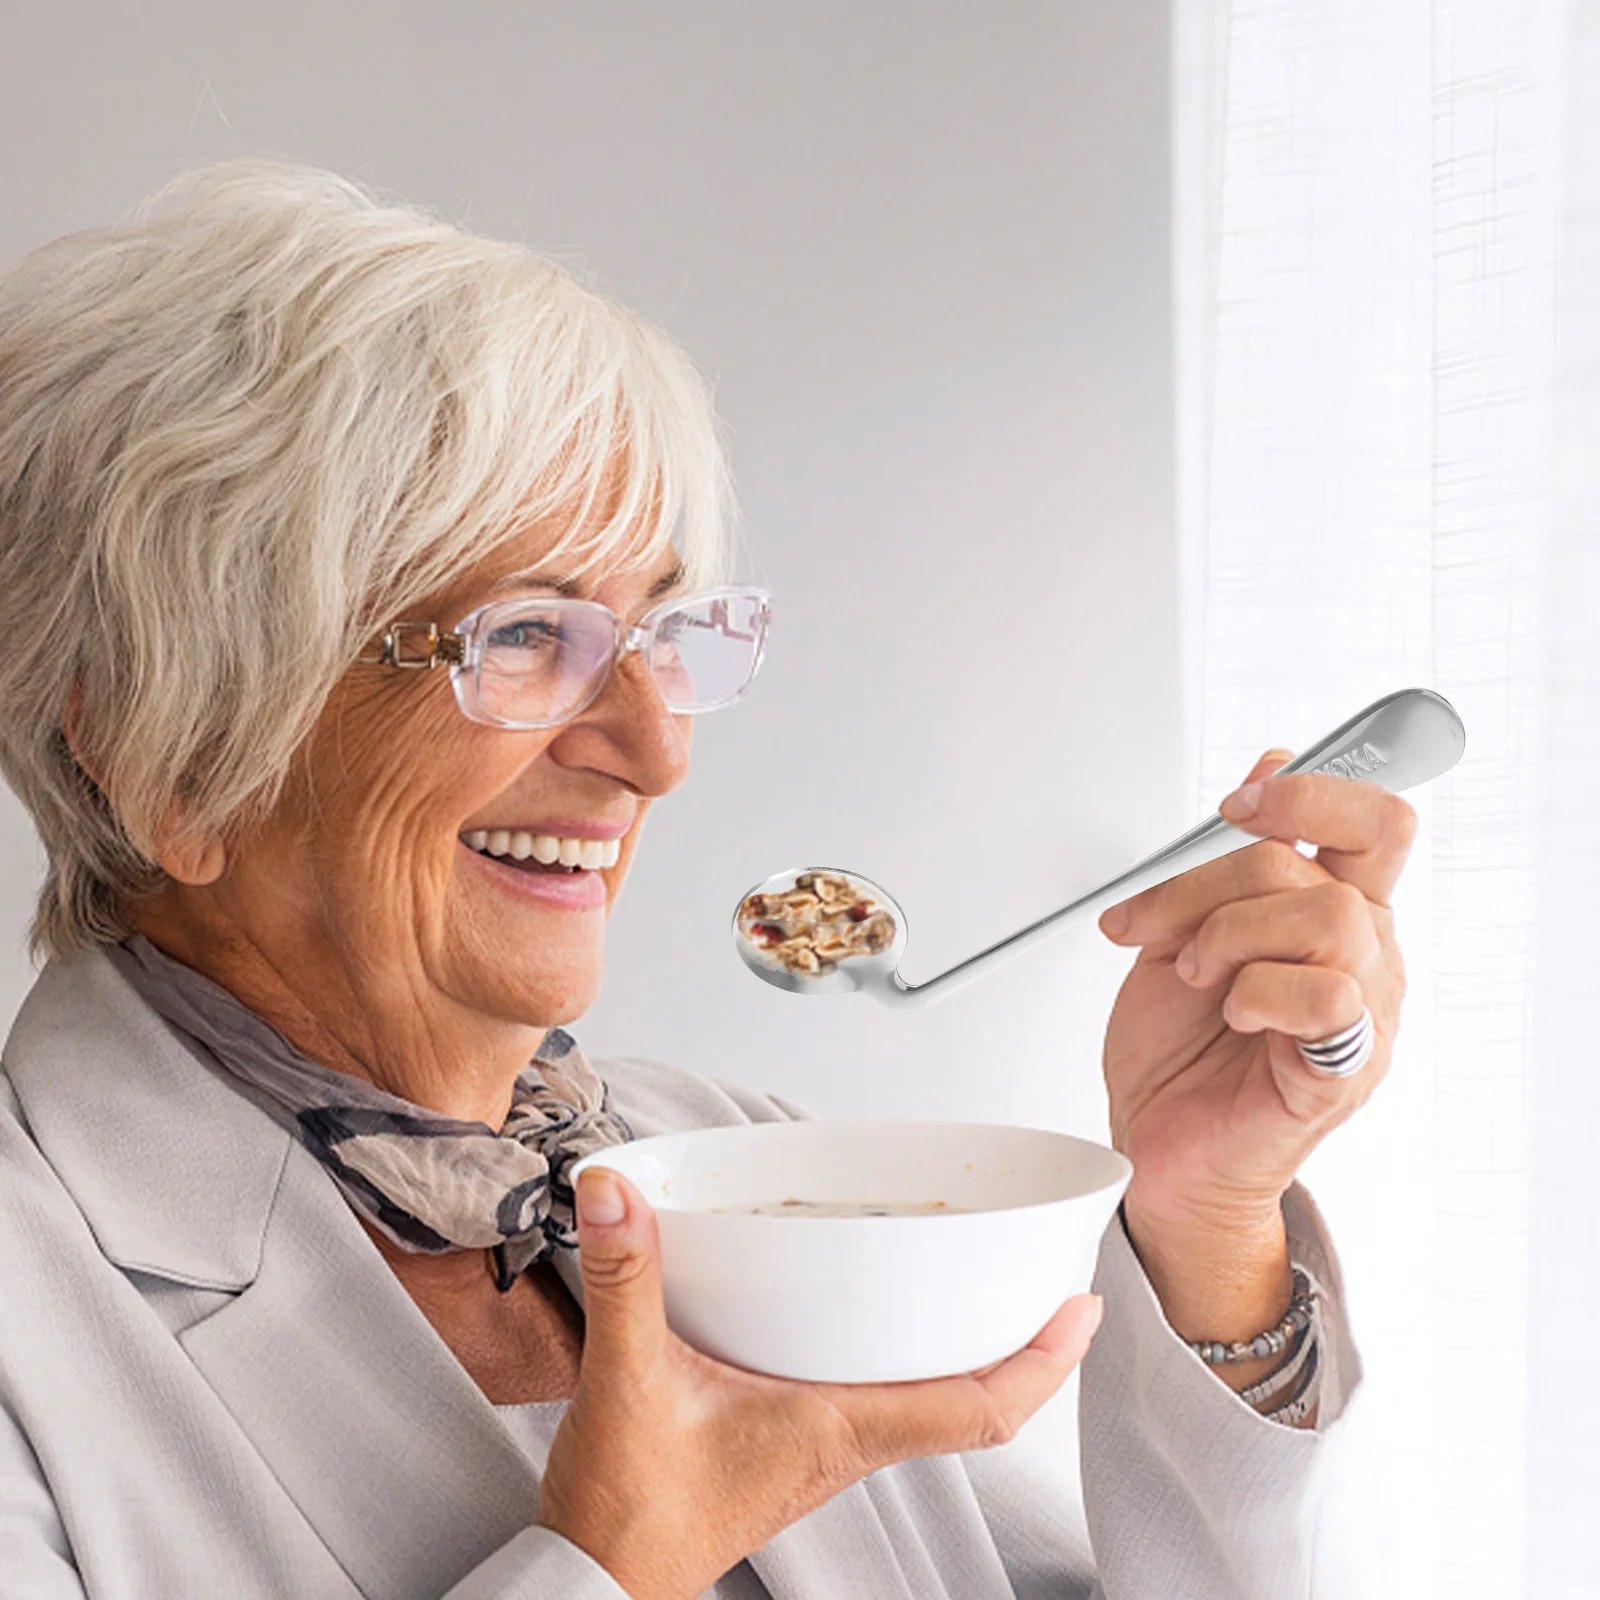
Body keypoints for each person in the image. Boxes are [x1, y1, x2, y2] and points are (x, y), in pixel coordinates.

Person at [0, 161, 1411, 1599]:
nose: (654, 752)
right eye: (520, 636)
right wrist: (614, 1561)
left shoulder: (740, 1160)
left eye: (660, 630)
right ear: (161, 751)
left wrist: (1206, 1222)